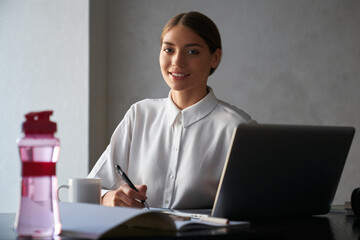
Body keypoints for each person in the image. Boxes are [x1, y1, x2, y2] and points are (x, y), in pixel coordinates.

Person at [88, 11, 255, 210]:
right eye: (168, 50)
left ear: (215, 58)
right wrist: (109, 198)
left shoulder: (238, 129)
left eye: (192, 51)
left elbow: (255, 207)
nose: (177, 61)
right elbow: (90, 188)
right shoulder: (139, 115)